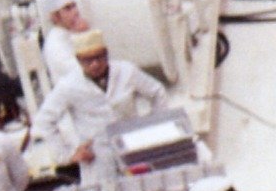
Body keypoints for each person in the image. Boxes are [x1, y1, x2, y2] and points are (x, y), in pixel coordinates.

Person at [32, 28, 175, 178]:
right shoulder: (69, 85)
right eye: (87, 60)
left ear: (106, 54)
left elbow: (157, 92)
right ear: (78, 60)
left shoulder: (126, 71)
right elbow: (44, 121)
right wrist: (68, 154)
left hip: (133, 147)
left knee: (144, 186)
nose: (94, 64)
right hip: (97, 157)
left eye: (98, 57)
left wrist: (153, 128)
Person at [36, 0, 95, 90]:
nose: (75, 11)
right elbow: (88, 72)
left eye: (74, 6)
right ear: (55, 16)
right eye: (68, 8)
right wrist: (85, 35)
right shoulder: (56, 44)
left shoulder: (70, 35)